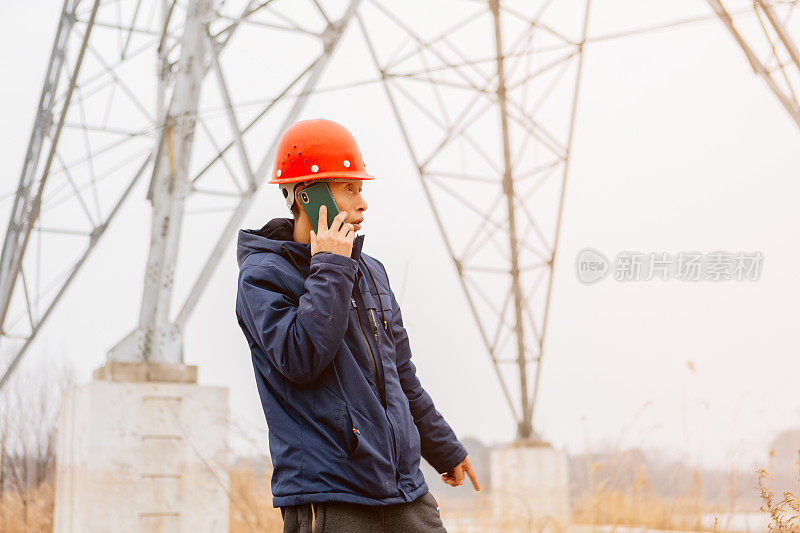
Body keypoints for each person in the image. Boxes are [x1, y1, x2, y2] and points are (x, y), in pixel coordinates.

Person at [235, 119, 480, 533]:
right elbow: (300, 359)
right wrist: (330, 265)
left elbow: (401, 376)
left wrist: (443, 448)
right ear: (306, 196)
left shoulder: (372, 273)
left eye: (360, 188)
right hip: (330, 496)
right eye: (349, 188)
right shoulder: (262, 277)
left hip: (403, 491)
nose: (362, 202)